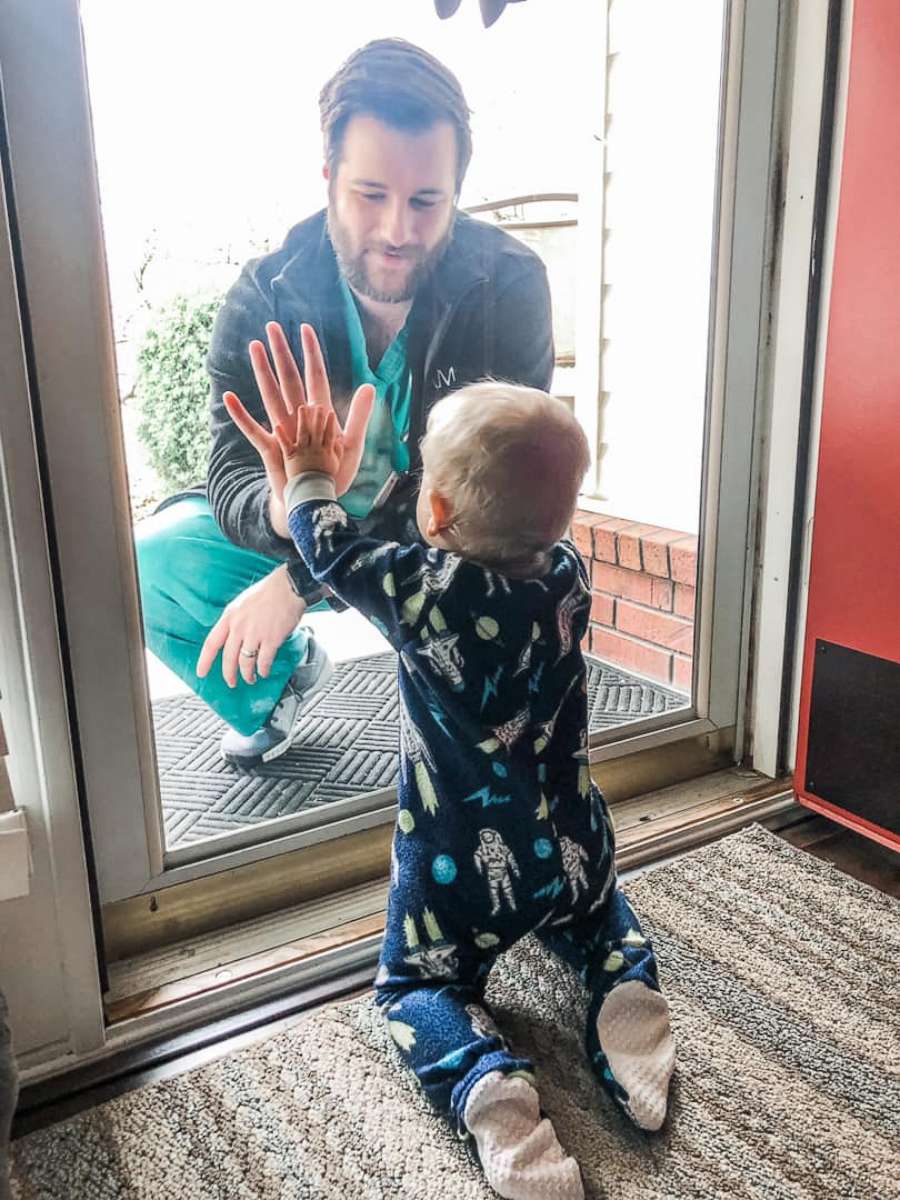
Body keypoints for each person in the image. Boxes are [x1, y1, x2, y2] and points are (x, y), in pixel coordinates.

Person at [225, 329, 676, 1200]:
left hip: (460, 871)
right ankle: (625, 993)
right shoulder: (568, 577)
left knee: (409, 985)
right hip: (577, 849)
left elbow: (332, 548)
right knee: (601, 918)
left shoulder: (425, 596)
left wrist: (313, 472)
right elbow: (485, 527)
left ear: (433, 517)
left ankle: (490, 1090)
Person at [135, 37, 554, 767]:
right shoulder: (263, 292)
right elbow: (231, 478)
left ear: (458, 188)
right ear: (328, 176)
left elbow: (498, 490)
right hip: (305, 525)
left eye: (428, 201)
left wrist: (304, 579)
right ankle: (282, 680)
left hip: (443, 539)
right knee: (153, 561)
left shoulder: (509, 286)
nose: (398, 231)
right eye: (370, 196)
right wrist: (295, 493)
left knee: (522, 569)